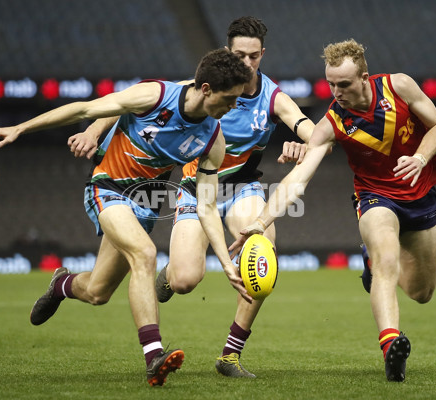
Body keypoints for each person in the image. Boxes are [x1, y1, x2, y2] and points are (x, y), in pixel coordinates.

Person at [0, 48, 253, 387]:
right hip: (107, 188)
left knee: (97, 291)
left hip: (146, 205)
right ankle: (154, 357)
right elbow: (85, 109)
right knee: (146, 254)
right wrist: (20, 128)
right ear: (206, 88)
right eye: (229, 99)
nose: (232, 108)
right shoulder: (155, 95)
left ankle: (61, 285)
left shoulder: (213, 139)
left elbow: (207, 206)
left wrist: (225, 261)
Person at [67, 16, 315, 379]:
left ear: (263, 55)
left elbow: (311, 129)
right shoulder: (201, 87)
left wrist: (305, 143)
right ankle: (168, 276)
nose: (245, 64)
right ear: (226, 53)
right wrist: (92, 128)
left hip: (242, 186)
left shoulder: (274, 98)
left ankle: (230, 355)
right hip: (195, 189)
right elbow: (124, 104)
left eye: (252, 57)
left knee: (261, 256)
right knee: (185, 280)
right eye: (238, 55)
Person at [230, 39, 436, 383]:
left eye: (344, 84)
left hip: (420, 195)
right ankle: (391, 345)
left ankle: (370, 265)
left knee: (422, 293)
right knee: (387, 257)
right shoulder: (333, 123)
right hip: (375, 197)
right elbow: (298, 178)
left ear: (364, 77)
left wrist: (420, 158)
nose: (337, 92)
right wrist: (259, 222)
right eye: (331, 84)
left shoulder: (399, 86)